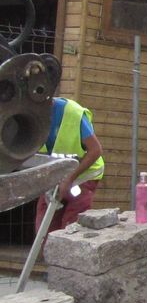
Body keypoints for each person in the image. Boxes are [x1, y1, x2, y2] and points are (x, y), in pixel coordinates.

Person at [35, 96, 104, 234]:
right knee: (44, 229)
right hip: (53, 179)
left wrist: (69, 179)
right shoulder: (27, 116)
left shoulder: (72, 114)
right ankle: (44, 253)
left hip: (82, 177)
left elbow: (95, 150)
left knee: (71, 228)